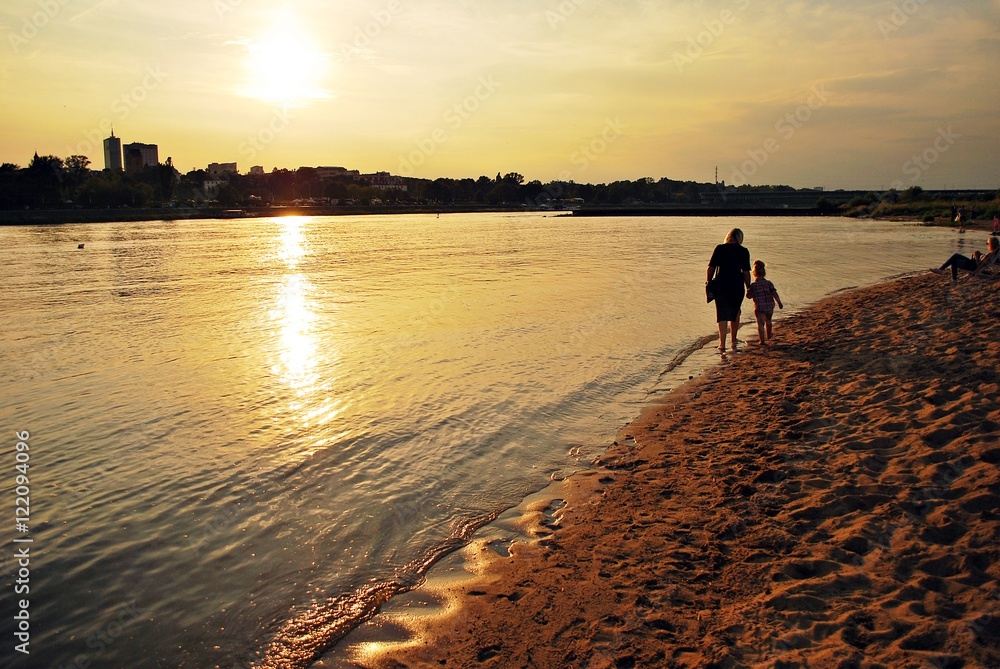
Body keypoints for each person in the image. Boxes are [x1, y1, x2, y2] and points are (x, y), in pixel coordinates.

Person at [707, 228, 751, 352]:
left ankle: (722, 344)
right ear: (739, 238)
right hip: (737, 285)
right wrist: (748, 287)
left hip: (721, 284)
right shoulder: (743, 251)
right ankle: (733, 339)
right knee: (735, 311)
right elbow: (746, 272)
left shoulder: (720, 248)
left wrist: (708, 282)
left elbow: (710, 267)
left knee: (721, 313)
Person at [746, 260, 783, 345]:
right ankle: (769, 334)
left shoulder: (753, 285)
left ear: (754, 273)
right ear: (764, 273)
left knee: (760, 323)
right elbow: (774, 293)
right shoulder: (768, 283)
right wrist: (779, 302)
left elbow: (749, 296)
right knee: (768, 321)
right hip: (769, 305)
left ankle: (762, 341)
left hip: (759, 307)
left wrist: (748, 290)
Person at [932, 236, 999, 281]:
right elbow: (983, 262)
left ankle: (943, 270)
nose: (986, 245)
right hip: (973, 264)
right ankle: (944, 272)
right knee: (955, 258)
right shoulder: (994, 254)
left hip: (973, 267)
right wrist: (980, 255)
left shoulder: (989, 255)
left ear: (991, 244)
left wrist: (976, 256)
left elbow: (978, 265)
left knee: (955, 258)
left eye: (987, 243)